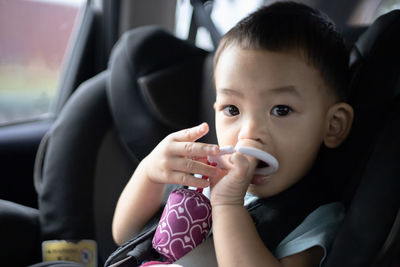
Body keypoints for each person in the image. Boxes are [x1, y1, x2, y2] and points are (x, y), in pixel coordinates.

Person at [112, 2, 354, 266]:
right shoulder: (202, 180)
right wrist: (149, 172)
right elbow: (125, 236)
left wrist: (227, 205)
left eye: (281, 110)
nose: (248, 133)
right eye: (232, 109)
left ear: (333, 125)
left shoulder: (314, 219)